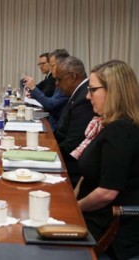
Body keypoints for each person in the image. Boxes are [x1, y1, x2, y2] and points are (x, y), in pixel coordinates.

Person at [75, 60, 139, 259]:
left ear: (114, 91)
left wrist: (74, 208)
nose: (87, 96)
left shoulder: (121, 130)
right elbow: (87, 175)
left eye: (93, 90)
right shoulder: (109, 125)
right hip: (94, 214)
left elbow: (107, 192)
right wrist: (71, 199)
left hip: (111, 227)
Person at [54, 56, 95, 186]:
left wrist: (46, 154)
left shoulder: (84, 99)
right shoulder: (78, 94)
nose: (56, 83)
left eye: (59, 79)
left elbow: (73, 144)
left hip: (72, 170)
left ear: (72, 77)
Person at [25, 49, 70, 130]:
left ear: (62, 65)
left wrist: (33, 88)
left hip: (55, 127)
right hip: (51, 121)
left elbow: (50, 103)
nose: (51, 68)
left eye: (52, 65)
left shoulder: (66, 84)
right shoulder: (58, 80)